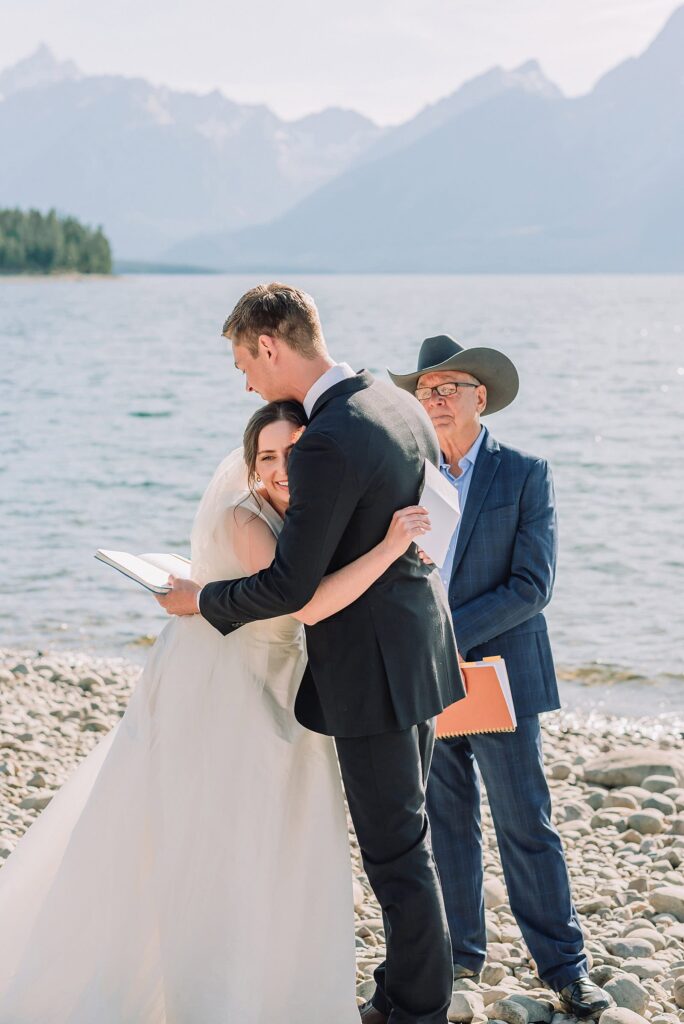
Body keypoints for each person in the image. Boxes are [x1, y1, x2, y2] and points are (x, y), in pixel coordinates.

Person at [0, 399, 433, 1024]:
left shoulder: (315, 511)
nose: (282, 469)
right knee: (229, 833)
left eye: (295, 453)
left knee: (288, 835)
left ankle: (277, 978)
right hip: (231, 679)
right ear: (252, 468)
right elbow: (305, 605)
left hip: (289, 681)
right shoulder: (248, 519)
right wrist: (392, 547)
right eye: (267, 457)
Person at [161, 283, 465, 1024]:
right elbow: (432, 509)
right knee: (410, 833)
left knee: (396, 851)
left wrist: (200, 600)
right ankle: (403, 988)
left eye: (243, 362)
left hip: (374, 673)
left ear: (270, 345)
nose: (245, 380)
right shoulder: (392, 399)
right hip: (422, 648)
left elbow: (290, 585)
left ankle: (417, 1009)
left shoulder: (328, 437)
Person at [389, 335, 612, 1020]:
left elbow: (532, 586)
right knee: (447, 823)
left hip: (502, 677)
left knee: (526, 823)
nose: (435, 401)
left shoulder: (524, 473)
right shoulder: (407, 477)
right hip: (432, 679)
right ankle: (460, 958)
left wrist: (443, 628)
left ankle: (566, 967)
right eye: (425, 391)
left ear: (480, 398)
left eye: (448, 388)